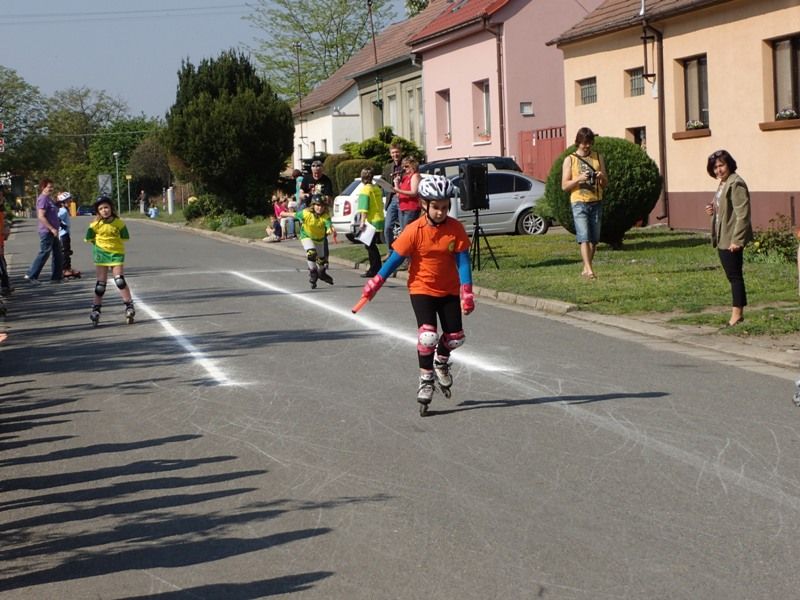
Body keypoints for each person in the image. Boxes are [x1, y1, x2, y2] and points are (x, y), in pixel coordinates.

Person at [357, 175, 475, 415]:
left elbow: (462, 261)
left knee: (455, 338)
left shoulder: (456, 229)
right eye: (436, 207)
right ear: (424, 205)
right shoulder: (414, 230)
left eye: (444, 207)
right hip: (421, 288)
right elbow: (395, 259)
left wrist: (467, 291)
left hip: (448, 289)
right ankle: (426, 380)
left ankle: (441, 362)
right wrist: (376, 281)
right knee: (428, 337)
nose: (441, 212)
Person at [704, 149, 753, 327]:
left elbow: (743, 215)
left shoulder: (736, 183)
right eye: (715, 167)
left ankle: (737, 314)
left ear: (729, 164)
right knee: (732, 276)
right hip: (723, 236)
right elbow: (724, 209)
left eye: (721, 165)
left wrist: (737, 240)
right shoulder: (724, 183)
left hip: (731, 238)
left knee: (735, 276)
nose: (718, 170)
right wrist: (712, 210)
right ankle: (737, 312)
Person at [561, 127, 607, 279]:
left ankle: (586, 267)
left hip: (596, 200)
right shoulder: (570, 159)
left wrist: (600, 177)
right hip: (579, 201)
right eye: (584, 143)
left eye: (589, 143)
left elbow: (606, 183)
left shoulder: (598, 157)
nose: (587, 146)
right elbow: (564, 186)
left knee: (594, 240)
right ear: (578, 142)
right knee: (584, 237)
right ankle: (590, 270)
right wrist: (579, 179)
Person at [84, 196, 135, 326]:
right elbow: (89, 238)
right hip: (101, 254)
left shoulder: (119, 223)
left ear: (111, 208)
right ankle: (96, 309)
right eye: (101, 209)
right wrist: (100, 247)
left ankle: (129, 305)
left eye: (106, 207)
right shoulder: (94, 225)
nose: (104, 210)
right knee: (101, 284)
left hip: (116, 253)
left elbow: (125, 237)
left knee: (119, 280)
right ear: (98, 212)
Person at [293, 194, 337, 289]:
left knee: (321, 261)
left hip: (319, 239)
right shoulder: (306, 213)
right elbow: (294, 214)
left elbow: (329, 224)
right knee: (311, 253)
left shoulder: (325, 216)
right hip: (306, 236)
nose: (319, 208)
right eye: (317, 205)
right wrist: (282, 214)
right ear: (313, 205)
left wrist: (330, 229)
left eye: (322, 206)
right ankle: (313, 272)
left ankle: (321, 273)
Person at [25, 178, 64, 285]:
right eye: (49, 187)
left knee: (57, 253)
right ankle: (32, 275)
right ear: (43, 187)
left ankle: (56, 277)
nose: (51, 188)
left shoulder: (49, 199)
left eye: (52, 186)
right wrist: (51, 228)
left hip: (54, 231)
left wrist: (58, 204)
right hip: (47, 231)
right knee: (45, 252)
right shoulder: (42, 199)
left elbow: (53, 211)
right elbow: (41, 216)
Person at [354, 168, 384, 278]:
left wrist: (362, 222)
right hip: (379, 218)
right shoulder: (376, 188)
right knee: (371, 245)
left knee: (369, 246)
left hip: (371, 221)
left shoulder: (365, 190)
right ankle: (376, 267)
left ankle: (374, 269)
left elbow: (364, 208)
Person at [382, 143, 404, 255]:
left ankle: (403, 253)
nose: (395, 154)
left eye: (397, 152)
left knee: (404, 229)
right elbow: (383, 180)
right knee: (387, 227)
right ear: (390, 154)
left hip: (404, 199)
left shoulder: (406, 165)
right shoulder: (387, 168)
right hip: (393, 199)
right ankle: (391, 251)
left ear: (401, 152)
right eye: (393, 153)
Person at [56, 192, 80, 278]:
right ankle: (65, 269)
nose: (70, 201)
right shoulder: (63, 210)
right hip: (63, 234)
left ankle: (68, 268)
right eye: (68, 200)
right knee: (65, 252)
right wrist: (62, 225)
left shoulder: (64, 210)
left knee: (67, 251)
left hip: (65, 234)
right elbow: (56, 218)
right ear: (63, 202)